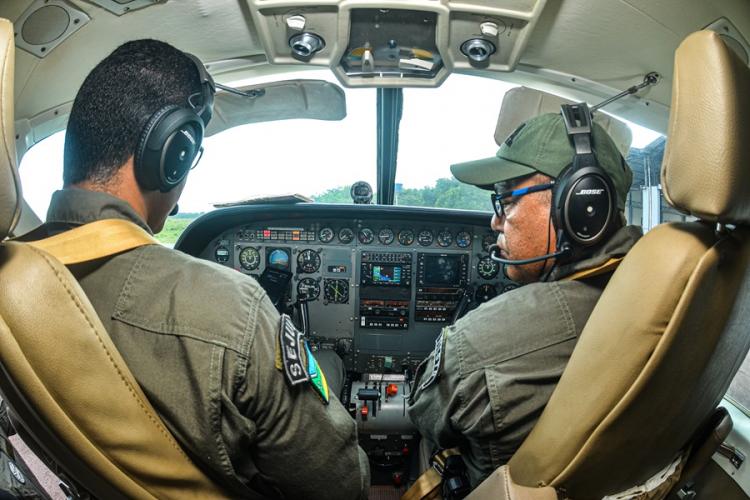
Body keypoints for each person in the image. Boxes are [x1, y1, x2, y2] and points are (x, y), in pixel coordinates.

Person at [18, 40, 369, 499]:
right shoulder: (233, 310)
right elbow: (340, 486)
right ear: (174, 153)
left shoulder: (11, 280)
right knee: (329, 368)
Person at [407, 110, 643, 488]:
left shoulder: (473, 348)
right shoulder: (664, 291)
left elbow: (423, 414)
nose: (495, 222)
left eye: (506, 200)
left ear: (580, 203)